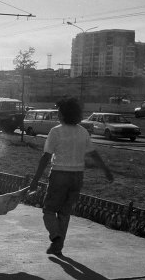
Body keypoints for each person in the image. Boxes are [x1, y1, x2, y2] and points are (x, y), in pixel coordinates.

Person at [26, 97, 114, 257]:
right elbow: (93, 153)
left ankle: (55, 237)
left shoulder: (56, 131)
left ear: (64, 114)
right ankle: (58, 247)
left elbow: (46, 157)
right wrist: (106, 170)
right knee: (65, 213)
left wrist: (35, 179)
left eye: (59, 111)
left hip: (59, 175)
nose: (57, 114)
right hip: (77, 177)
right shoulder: (83, 132)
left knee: (49, 211)